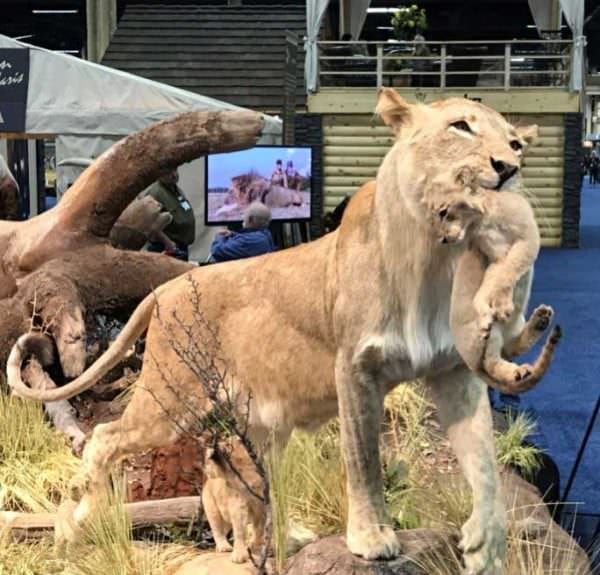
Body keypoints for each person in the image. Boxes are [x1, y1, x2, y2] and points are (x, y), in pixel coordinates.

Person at [143, 169, 195, 260]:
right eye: (168, 171)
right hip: (166, 248)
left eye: (175, 169)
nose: (174, 174)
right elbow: (148, 224)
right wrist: (168, 243)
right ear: (158, 173)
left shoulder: (174, 188)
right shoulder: (155, 193)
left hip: (180, 247)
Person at [210, 202, 275, 263]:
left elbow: (217, 252)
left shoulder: (252, 240)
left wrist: (220, 236)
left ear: (250, 219)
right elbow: (247, 239)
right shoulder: (265, 233)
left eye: (244, 214)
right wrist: (232, 234)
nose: (243, 217)